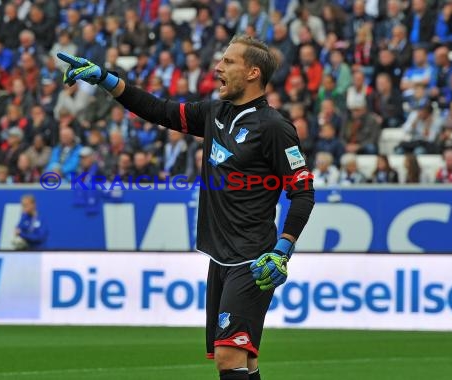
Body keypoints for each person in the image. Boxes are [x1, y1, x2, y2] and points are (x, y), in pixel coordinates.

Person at [57, 34, 315, 380]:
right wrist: (106, 79)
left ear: (253, 73)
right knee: (244, 360)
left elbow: (302, 193)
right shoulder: (214, 113)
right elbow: (158, 110)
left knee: (228, 357)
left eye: (228, 62)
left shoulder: (274, 127)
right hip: (220, 256)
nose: (218, 67)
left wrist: (282, 249)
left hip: (254, 260)